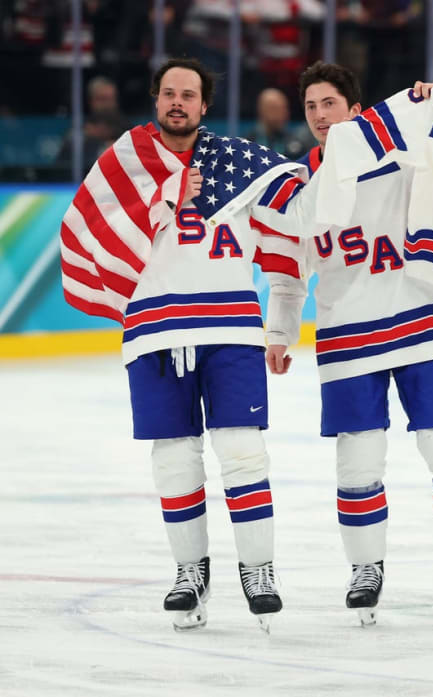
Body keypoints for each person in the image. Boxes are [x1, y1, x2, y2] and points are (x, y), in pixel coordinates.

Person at [59, 57, 309, 633]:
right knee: (174, 462)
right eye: (168, 93)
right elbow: (90, 225)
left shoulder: (239, 162)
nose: (178, 102)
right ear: (155, 99)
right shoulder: (125, 160)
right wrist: (167, 192)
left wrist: (279, 328)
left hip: (230, 328)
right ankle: (189, 572)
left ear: (205, 105)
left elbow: (284, 234)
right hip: (155, 329)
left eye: (189, 94)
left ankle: (258, 569)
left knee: (244, 452)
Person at [263, 61, 433, 626]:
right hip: (347, 333)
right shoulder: (298, 189)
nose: (319, 115)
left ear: (357, 111)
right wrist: (278, 332)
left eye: (330, 104)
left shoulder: (407, 159)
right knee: (357, 465)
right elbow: (289, 274)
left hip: (423, 320)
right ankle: (366, 569)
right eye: (311, 106)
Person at [246, 87, 314, 160]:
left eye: (284, 108)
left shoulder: (297, 145)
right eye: (275, 108)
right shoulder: (248, 144)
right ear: (261, 110)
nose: (283, 113)